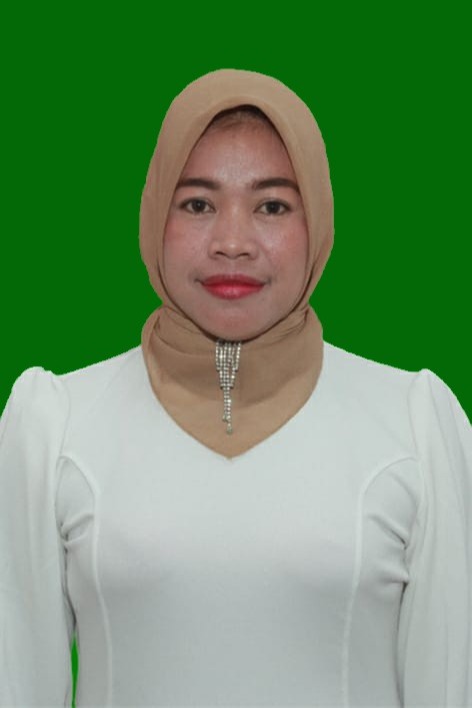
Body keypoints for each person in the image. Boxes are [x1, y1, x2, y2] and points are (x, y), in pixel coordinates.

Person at [0, 69, 470, 707]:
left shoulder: (414, 426)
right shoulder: (56, 426)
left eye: (272, 206)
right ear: (154, 216)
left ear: (318, 222)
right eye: (198, 204)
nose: (232, 243)